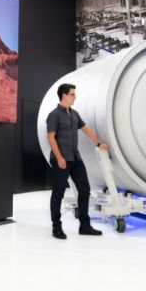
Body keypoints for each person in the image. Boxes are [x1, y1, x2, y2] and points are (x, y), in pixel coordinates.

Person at [46, 83, 109, 239]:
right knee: (58, 193)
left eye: (74, 94)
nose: (75, 97)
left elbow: (86, 129)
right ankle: (56, 227)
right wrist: (59, 158)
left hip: (75, 158)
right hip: (60, 159)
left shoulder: (74, 114)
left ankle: (85, 226)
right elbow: (50, 137)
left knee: (85, 190)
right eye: (72, 94)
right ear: (64, 96)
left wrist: (98, 143)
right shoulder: (54, 115)